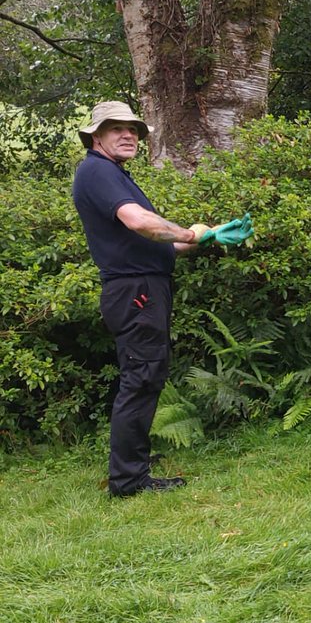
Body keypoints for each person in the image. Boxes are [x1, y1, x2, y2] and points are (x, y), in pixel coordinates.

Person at [72, 101, 211, 497]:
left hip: (145, 287)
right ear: (96, 136)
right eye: (116, 128)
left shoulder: (114, 174)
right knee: (142, 377)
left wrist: (208, 235)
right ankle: (129, 480)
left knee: (147, 375)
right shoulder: (97, 171)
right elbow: (140, 223)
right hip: (135, 291)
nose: (128, 134)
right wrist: (186, 233)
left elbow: (158, 242)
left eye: (133, 128)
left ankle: (133, 466)